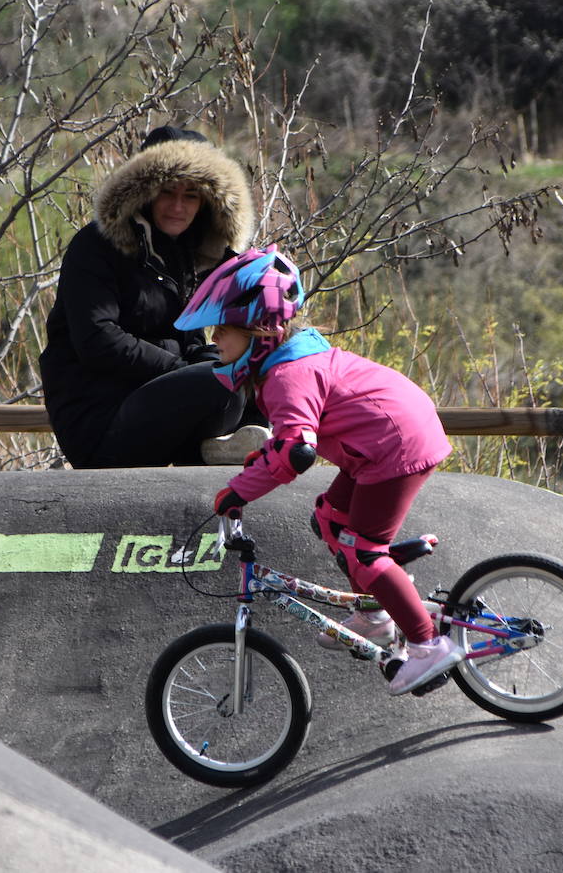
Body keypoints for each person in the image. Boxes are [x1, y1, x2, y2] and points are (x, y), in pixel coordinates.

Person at [177, 246, 463, 696]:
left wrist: (237, 491)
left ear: (259, 329)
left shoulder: (288, 374)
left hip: (394, 445)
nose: (214, 340)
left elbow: (296, 453)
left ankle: (429, 645)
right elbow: (292, 436)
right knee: (330, 517)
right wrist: (261, 459)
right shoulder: (288, 364)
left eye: (222, 330)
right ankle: (375, 616)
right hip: (379, 445)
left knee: (365, 550)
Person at [39, 125, 267, 468]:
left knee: (254, 372)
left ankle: (249, 457)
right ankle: (217, 453)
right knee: (220, 384)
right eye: (167, 192)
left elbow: (191, 343)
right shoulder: (95, 246)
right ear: (143, 193)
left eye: (191, 194)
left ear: (207, 202)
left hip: (160, 408)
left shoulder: (191, 258)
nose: (178, 206)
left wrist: (210, 360)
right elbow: (97, 340)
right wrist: (184, 369)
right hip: (100, 419)